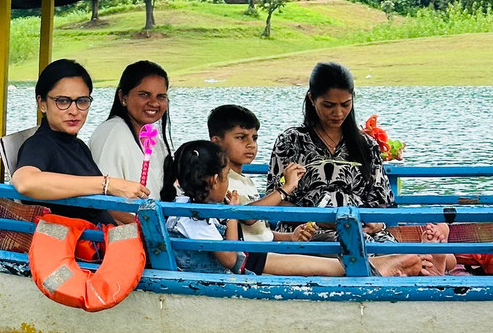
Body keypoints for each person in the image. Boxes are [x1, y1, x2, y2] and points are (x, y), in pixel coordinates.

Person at [161, 140, 424, 277]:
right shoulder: (196, 219)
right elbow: (230, 259)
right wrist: (231, 216)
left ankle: (377, 264)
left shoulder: (185, 208)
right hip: (251, 263)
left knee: (317, 262)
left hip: (255, 256)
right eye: (225, 174)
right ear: (214, 180)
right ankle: (378, 268)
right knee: (322, 267)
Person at [266, 62, 395, 243]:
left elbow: (383, 201)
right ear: (311, 99)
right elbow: (275, 198)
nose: (338, 112)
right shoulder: (291, 141)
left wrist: (377, 223)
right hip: (305, 230)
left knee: (390, 249)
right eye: (328, 105)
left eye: (345, 104)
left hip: (362, 230)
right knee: (347, 246)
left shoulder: (366, 144)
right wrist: (322, 219)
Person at [12, 58, 149, 224]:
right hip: (79, 245)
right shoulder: (40, 145)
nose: (74, 111)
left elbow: (100, 207)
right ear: (42, 104)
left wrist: (143, 226)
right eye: (63, 101)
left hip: (104, 239)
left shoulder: (78, 146)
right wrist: (107, 184)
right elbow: (25, 182)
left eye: (82, 101)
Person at [207, 104, 313, 243]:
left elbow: (260, 233)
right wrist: (286, 188)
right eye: (241, 137)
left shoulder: (246, 181)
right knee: (335, 265)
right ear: (217, 142)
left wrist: (291, 236)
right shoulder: (220, 181)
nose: (251, 144)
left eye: (254, 138)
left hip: (263, 252)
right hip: (250, 258)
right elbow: (248, 216)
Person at [89, 60, 173, 199]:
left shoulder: (151, 136)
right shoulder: (112, 133)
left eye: (161, 96)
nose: (154, 103)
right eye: (144, 94)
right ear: (123, 97)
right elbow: (105, 203)